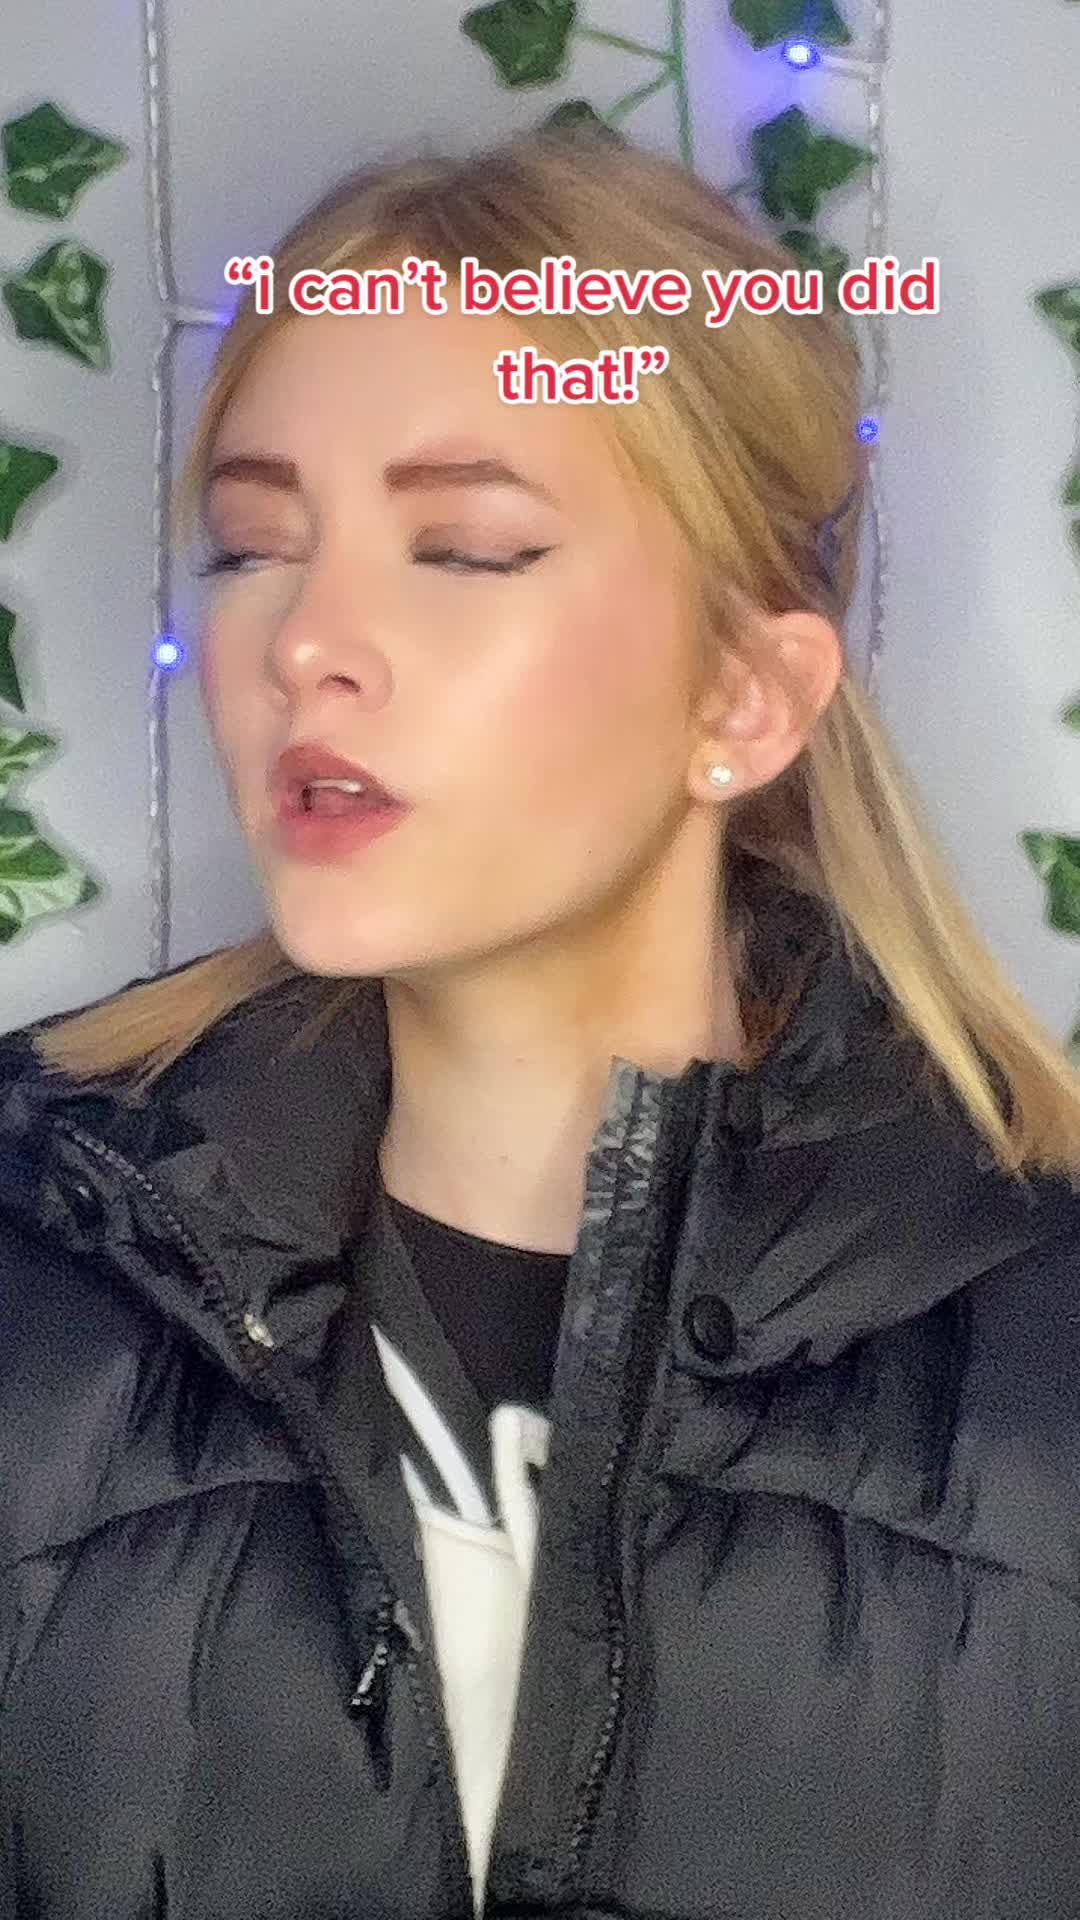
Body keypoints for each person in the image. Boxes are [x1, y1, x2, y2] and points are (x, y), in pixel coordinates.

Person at [2, 128, 1079, 1920]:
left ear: (743, 696)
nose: (305, 643)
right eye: (254, 546)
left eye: (467, 548)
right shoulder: (34, 1271)